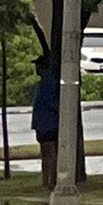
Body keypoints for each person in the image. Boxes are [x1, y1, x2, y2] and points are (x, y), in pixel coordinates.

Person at [31, 57, 61, 190]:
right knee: (45, 153)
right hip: (41, 123)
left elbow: (54, 103)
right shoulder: (42, 83)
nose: (37, 69)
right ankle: (45, 180)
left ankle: (52, 180)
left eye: (39, 66)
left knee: (50, 153)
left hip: (49, 122)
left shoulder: (51, 82)